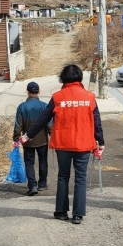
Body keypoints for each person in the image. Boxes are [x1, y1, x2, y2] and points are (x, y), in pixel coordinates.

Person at [22, 64, 105, 225]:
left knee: (63, 176)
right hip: (83, 144)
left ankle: (60, 211)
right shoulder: (89, 97)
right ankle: (78, 214)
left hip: (63, 144)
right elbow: (96, 121)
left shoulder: (58, 97)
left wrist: (27, 135)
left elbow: (43, 119)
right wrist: (100, 141)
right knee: (81, 178)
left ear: (63, 78)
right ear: (80, 78)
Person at [13, 81, 50, 196]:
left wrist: (16, 138)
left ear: (27, 92)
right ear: (39, 91)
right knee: (43, 160)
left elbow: (18, 125)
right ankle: (42, 184)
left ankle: (32, 185)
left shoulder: (22, 107)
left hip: (27, 140)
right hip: (42, 139)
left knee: (29, 163)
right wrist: (52, 134)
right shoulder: (44, 106)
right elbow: (49, 123)